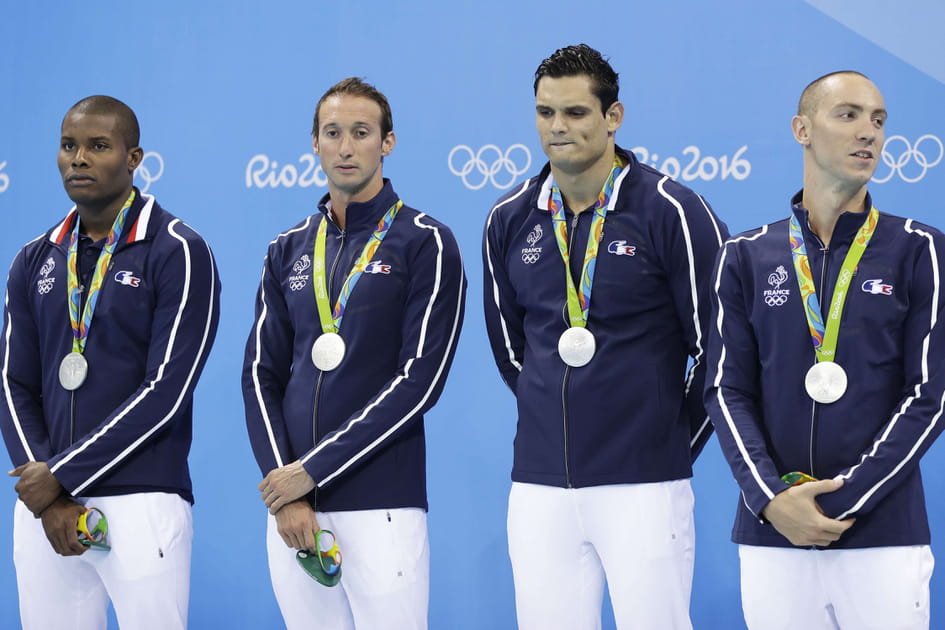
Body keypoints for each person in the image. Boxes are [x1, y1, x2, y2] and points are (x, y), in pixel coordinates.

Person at [482, 44, 728, 629]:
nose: (558, 128)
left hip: (644, 483)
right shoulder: (509, 217)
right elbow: (514, 351)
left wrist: (669, 439)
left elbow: (720, 348)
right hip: (540, 485)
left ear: (613, 117)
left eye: (575, 113)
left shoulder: (672, 211)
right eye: (545, 113)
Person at [705, 71, 942, 630]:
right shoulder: (745, 256)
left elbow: (929, 395)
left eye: (879, 121)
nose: (869, 133)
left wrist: (843, 502)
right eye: (849, 115)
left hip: (881, 536)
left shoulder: (920, 250)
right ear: (802, 129)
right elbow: (725, 388)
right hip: (773, 535)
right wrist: (771, 498)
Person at [243, 77, 466, 630]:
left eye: (361, 133)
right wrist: (285, 490)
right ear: (314, 143)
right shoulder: (287, 248)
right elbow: (259, 375)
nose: (346, 147)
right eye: (333, 132)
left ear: (387, 143)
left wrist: (310, 471)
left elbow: (420, 381)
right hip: (296, 512)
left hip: (382, 505)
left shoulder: (426, 242)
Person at [0, 95, 221, 629]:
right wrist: (47, 491)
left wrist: (59, 474)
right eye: (69, 146)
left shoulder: (178, 250)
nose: (79, 158)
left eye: (98, 146)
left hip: (142, 498)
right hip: (48, 508)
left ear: (133, 158)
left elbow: (167, 389)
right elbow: (14, 381)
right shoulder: (34, 258)